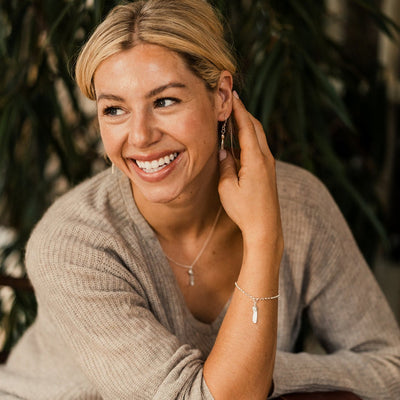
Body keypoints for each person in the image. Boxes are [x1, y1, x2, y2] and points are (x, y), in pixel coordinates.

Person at [0, 0, 399, 399]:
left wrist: (260, 369)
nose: (139, 137)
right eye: (115, 109)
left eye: (165, 101)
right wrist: (263, 248)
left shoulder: (298, 205)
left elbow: (391, 366)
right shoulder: (71, 244)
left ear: (222, 96)